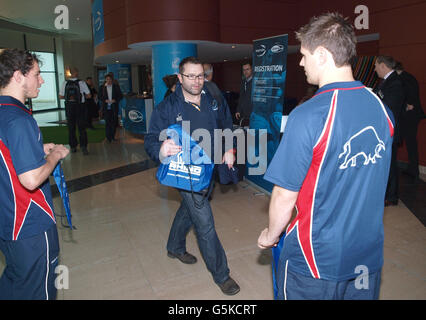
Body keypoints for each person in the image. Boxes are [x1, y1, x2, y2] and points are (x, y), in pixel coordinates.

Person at [257, 12, 394, 300]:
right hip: (365, 258)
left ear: (321, 54)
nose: (300, 62)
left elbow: (284, 194)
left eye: (304, 55)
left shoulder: (309, 114)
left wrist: (270, 235)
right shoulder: (381, 109)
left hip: (314, 260)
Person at [144, 56, 240, 295]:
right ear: (180, 77)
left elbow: (226, 124)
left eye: (201, 76)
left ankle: (175, 247)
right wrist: (161, 149)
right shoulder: (168, 107)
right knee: (205, 223)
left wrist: (229, 148)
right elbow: (151, 138)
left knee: (189, 210)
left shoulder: (214, 97)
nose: (197, 81)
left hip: (210, 168)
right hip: (185, 172)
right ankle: (222, 275)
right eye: (191, 76)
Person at [0, 48, 70, 299]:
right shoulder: (19, 119)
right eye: (37, 74)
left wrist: (35, 149)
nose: (41, 80)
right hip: (30, 223)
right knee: (39, 289)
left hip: (7, 221)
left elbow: (5, 153)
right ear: (18, 76)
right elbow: (30, 180)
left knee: (16, 282)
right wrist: (54, 156)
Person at [374, 56, 406, 206]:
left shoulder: (396, 83)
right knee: (387, 163)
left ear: (382, 66)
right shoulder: (386, 82)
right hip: (383, 129)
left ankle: (392, 197)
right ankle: (387, 194)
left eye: (376, 66)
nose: (374, 69)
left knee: (391, 166)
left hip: (390, 130)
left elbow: (389, 107)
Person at [395, 61, 425, 180]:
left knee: (410, 142)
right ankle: (413, 169)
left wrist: (408, 105)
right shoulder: (408, 77)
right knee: (410, 142)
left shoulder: (404, 79)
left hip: (410, 116)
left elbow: (410, 98)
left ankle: (413, 170)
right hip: (412, 115)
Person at [59, 67, 91, 155]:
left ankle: (73, 147)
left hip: (69, 107)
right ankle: (83, 147)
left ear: (70, 73)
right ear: (76, 73)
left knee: (71, 128)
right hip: (80, 107)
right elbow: (88, 95)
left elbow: (61, 96)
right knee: (82, 128)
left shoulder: (65, 83)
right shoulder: (81, 82)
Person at [203, 63, 233, 130]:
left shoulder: (196, 87)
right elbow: (222, 108)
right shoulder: (212, 87)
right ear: (211, 74)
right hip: (215, 126)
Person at [98, 73, 123, 143]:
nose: (108, 81)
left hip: (114, 107)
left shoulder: (116, 87)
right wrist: (105, 100)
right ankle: (108, 137)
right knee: (107, 122)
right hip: (106, 108)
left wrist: (115, 100)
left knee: (114, 122)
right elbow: (99, 96)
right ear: (105, 80)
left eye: (110, 79)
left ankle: (112, 136)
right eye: (107, 79)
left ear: (112, 80)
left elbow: (120, 96)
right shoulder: (102, 87)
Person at [235, 62, 253, 126]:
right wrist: (238, 110)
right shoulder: (243, 82)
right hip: (244, 115)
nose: (245, 72)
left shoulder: (256, 82)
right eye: (244, 70)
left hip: (253, 115)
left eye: (247, 69)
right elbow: (241, 97)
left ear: (252, 69)